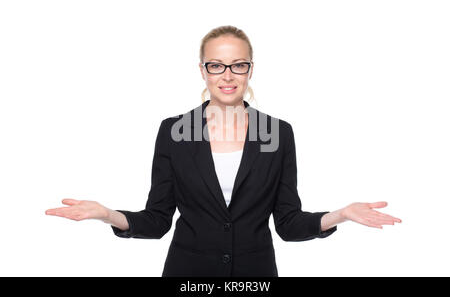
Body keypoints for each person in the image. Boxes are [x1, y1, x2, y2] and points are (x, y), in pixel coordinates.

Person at [45, 25, 401, 277]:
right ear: (202, 70)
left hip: (255, 275)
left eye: (238, 65)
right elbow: (156, 221)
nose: (227, 75)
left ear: (250, 70)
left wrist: (340, 214)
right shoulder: (174, 131)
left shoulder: (277, 133)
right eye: (216, 65)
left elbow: (289, 224)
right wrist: (107, 214)